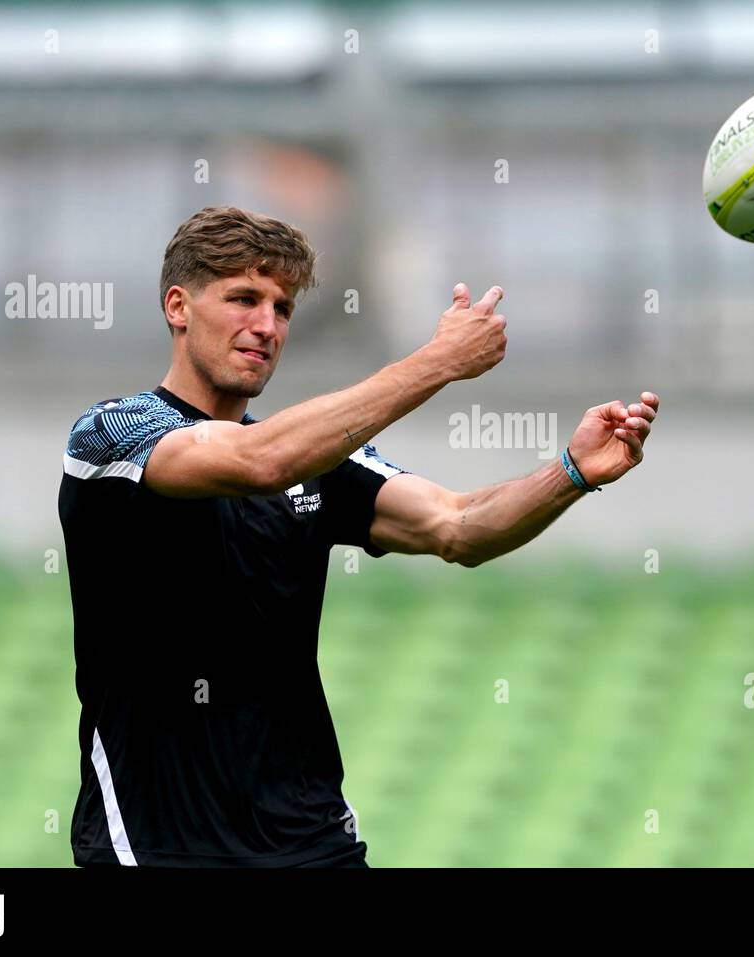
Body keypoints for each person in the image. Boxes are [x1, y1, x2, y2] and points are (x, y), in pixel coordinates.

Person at [58, 205, 659, 867]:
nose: (266, 325)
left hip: (313, 843)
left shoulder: (316, 461)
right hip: (159, 848)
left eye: (282, 308)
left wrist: (571, 472)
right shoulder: (114, 436)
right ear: (178, 305)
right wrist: (438, 361)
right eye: (243, 298)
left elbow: (458, 526)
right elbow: (260, 462)